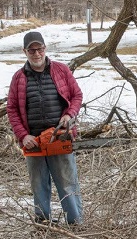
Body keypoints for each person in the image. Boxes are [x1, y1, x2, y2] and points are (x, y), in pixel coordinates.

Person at [7, 31, 84, 225]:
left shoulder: (60, 70)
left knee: (67, 184)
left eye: (39, 49)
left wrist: (69, 115)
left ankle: (76, 223)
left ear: (45, 49)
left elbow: (77, 96)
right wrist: (23, 136)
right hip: (33, 141)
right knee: (39, 186)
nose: (36, 54)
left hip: (59, 137)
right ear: (25, 51)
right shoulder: (19, 78)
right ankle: (42, 224)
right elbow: (12, 109)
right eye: (31, 50)